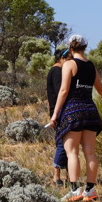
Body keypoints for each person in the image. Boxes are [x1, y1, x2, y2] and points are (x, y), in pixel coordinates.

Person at [49, 35, 102, 202]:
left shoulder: (69, 64)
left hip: (72, 112)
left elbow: (63, 91)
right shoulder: (91, 66)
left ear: (71, 47)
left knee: (72, 152)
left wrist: (55, 114)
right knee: (90, 152)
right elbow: (100, 88)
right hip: (90, 111)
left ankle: (75, 191)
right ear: (85, 46)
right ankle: (90, 190)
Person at [45, 47, 72, 187]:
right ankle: (56, 177)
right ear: (62, 58)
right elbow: (60, 90)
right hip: (60, 112)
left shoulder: (56, 70)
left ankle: (69, 176)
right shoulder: (57, 71)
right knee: (62, 143)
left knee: (68, 144)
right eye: (69, 58)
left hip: (60, 111)